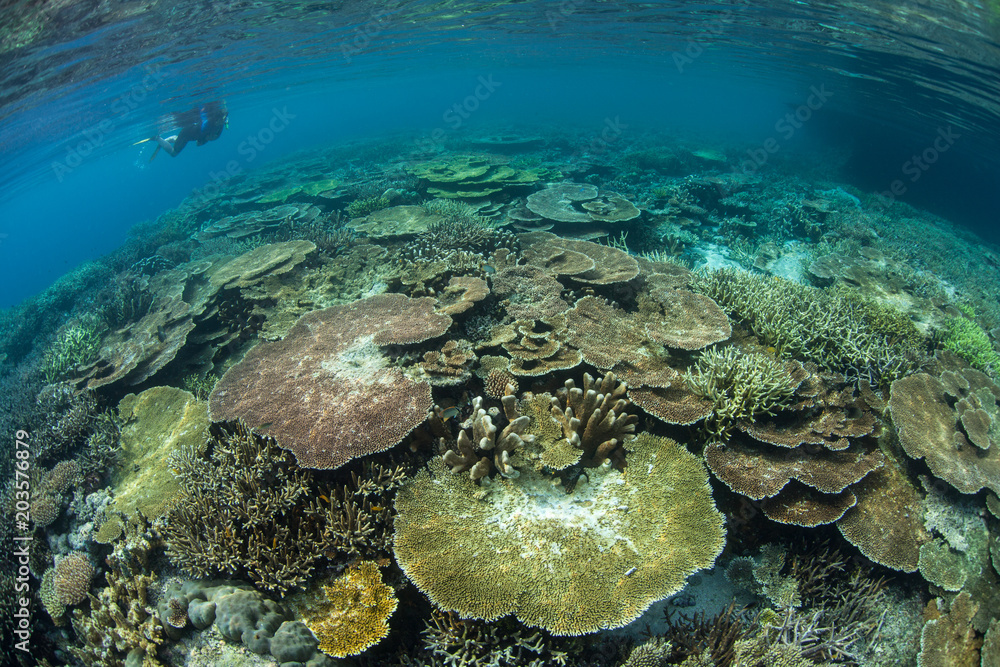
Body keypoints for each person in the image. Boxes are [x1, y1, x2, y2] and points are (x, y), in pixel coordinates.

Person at [151, 101, 228, 157]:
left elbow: (215, 133)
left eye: (223, 120)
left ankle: (173, 139)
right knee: (173, 153)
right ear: (217, 119)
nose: (223, 122)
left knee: (179, 139)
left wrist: (214, 136)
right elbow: (198, 143)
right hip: (186, 134)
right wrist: (209, 138)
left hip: (189, 134)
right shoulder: (209, 124)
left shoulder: (219, 122)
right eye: (221, 120)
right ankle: (157, 138)